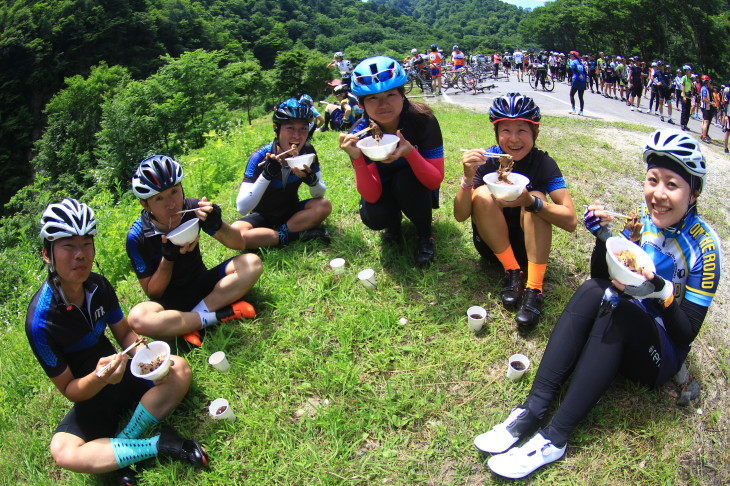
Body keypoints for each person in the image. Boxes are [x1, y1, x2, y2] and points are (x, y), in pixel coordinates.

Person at [474, 129, 720, 479]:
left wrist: (661, 290)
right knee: (594, 289)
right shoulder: (640, 218)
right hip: (621, 321)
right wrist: (602, 239)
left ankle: (554, 437)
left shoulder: (705, 249)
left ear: (694, 193)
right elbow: (604, 275)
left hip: (659, 353)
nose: (658, 194)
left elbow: (686, 334)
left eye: (672, 185)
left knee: (619, 309)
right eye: (653, 180)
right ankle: (532, 408)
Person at [26, 199, 207, 485]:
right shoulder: (40, 323)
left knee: (179, 369)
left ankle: (122, 448)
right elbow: (71, 390)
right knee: (62, 452)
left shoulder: (98, 285)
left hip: (122, 374)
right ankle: (160, 444)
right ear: (48, 254)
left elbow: (124, 334)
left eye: (87, 244)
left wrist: (145, 357)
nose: (80, 255)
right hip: (91, 395)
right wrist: (100, 378)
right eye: (68, 246)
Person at [453, 93, 577, 330]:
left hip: (530, 250)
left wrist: (531, 201)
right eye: (506, 130)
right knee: (480, 194)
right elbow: (460, 216)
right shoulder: (488, 161)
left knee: (539, 200)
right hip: (492, 249)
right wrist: (468, 177)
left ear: (535, 133)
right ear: (496, 133)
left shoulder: (543, 164)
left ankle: (534, 288)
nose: (513, 139)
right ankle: (512, 271)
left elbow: (571, 221)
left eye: (522, 130)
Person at [126, 155, 263, 347]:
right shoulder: (137, 237)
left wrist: (218, 223)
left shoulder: (192, 209)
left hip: (202, 285)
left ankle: (192, 323)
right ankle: (219, 315)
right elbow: (154, 293)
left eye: (174, 191)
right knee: (138, 318)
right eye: (159, 198)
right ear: (145, 204)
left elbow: (238, 243)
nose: (171, 204)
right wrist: (168, 259)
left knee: (251, 263)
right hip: (171, 303)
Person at [339, 55, 444, 266]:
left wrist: (410, 153)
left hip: (417, 187)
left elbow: (435, 180)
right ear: (361, 103)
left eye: (390, 95)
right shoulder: (359, 135)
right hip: (382, 189)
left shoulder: (423, 121)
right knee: (374, 216)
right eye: (372, 98)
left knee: (405, 179)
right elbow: (372, 193)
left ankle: (425, 235)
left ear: (403, 94)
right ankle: (393, 223)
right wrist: (357, 157)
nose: (383, 105)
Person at [232, 98, 332, 249]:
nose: (297, 136)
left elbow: (319, 194)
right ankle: (296, 235)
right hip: (263, 216)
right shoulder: (260, 157)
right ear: (276, 128)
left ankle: (273, 237)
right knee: (236, 234)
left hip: (292, 212)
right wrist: (266, 175)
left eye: (303, 129)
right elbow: (242, 207)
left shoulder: (307, 152)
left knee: (324, 206)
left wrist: (312, 181)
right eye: (290, 128)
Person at [568, 51, 586, 115]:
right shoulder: (581, 62)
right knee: (581, 96)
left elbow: (573, 68)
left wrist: (578, 74)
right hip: (583, 80)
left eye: (571, 55)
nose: (570, 56)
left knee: (571, 94)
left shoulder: (572, 61)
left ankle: (573, 109)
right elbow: (584, 71)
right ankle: (581, 111)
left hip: (576, 79)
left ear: (573, 56)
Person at [700, 75, 715, 142]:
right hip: (705, 107)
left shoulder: (704, 88)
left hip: (705, 107)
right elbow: (704, 99)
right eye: (708, 81)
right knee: (706, 122)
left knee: (704, 121)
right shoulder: (704, 89)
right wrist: (711, 103)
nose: (709, 83)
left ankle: (702, 134)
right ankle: (704, 136)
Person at [680, 65, 693, 130]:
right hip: (684, 96)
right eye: (690, 72)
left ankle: (685, 124)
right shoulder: (684, 78)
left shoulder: (690, 81)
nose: (691, 73)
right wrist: (684, 96)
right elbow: (683, 87)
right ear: (686, 72)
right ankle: (682, 124)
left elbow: (691, 88)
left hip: (689, 97)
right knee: (684, 111)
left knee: (688, 112)